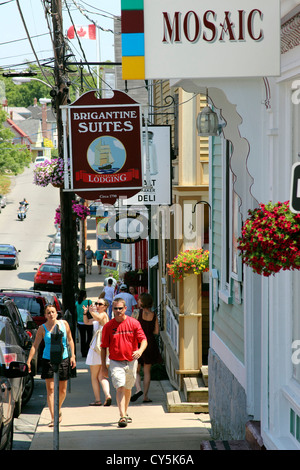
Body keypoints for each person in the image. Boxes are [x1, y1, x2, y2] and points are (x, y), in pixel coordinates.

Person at [26, 304, 76, 427]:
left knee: (63, 390)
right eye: (48, 312)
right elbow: (35, 345)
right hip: (48, 359)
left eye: (53, 312)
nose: (51, 314)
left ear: (57, 313)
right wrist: (29, 361)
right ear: (45, 315)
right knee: (51, 390)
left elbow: (70, 340)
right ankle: (54, 417)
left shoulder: (64, 324)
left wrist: (73, 356)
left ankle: (57, 408)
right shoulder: (42, 328)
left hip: (63, 357)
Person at [101, 298, 148, 428]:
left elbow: (143, 340)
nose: (118, 311)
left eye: (120, 308)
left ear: (125, 309)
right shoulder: (108, 326)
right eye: (115, 308)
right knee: (120, 387)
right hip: (116, 361)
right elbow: (104, 347)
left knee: (128, 388)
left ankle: (125, 412)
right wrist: (104, 366)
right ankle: (122, 416)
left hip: (131, 361)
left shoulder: (133, 323)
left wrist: (140, 350)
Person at [131, 293, 163, 403]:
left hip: (138, 343)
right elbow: (156, 332)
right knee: (147, 371)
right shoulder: (154, 315)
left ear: (142, 302)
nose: (138, 301)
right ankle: (145, 396)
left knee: (136, 369)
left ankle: (138, 389)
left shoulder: (136, 313)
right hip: (150, 343)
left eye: (139, 300)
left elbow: (131, 328)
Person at [83, 298, 112, 406]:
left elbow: (99, 317)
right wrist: (85, 313)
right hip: (102, 349)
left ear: (105, 306)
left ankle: (97, 399)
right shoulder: (98, 317)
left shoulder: (103, 315)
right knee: (101, 376)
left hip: (97, 349)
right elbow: (86, 322)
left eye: (100, 304)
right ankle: (107, 395)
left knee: (95, 377)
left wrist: (91, 311)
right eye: (97, 303)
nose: (97, 305)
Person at [76, 289, 93, 358]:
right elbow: (91, 311)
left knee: (82, 338)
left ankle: (83, 352)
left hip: (80, 322)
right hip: (88, 322)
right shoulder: (89, 302)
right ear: (85, 295)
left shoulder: (77, 303)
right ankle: (87, 349)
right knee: (89, 337)